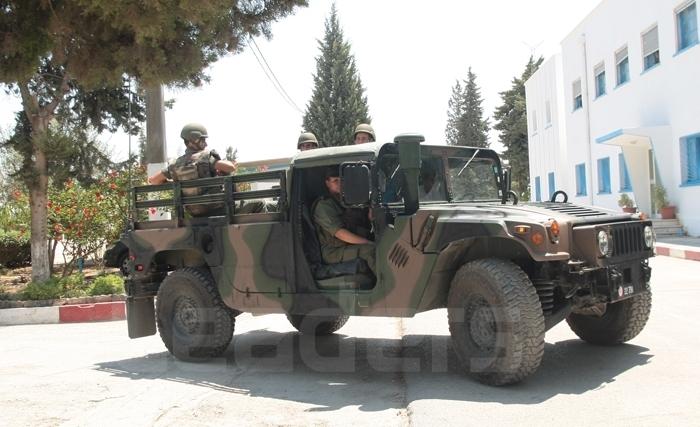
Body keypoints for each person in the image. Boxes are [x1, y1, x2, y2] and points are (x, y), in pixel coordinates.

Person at [147, 123, 237, 216]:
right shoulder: (206, 157)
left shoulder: (174, 165)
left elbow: (154, 180)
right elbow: (230, 167)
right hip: (218, 209)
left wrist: (175, 184)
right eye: (203, 140)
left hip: (195, 213)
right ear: (194, 140)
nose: (206, 144)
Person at [313, 166, 376, 276]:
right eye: (335, 181)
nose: (340, 183)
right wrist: (367, 242)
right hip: (334, 251)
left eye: (342, 179)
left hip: (348, 245)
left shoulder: (349, 199)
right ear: (327, 183)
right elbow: (340, 234)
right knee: (371, 251)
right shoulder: (324, 205)